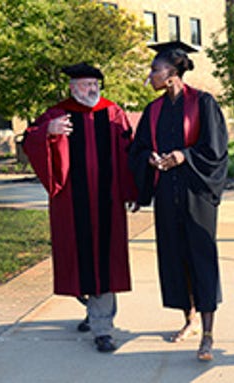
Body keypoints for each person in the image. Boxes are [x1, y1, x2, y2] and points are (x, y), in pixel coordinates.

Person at [23, 62, 138, 353]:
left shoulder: (113, 113)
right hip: (73, 206)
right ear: (72, 88)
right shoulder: (57, 113)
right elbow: (29, 138)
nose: (92, 90)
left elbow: (129, 154)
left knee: (105, 263)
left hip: (107, 202)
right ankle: (93, 309)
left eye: (95, 85)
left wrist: (132, 189)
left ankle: (103, 328)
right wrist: (48, 132)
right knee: (78, 262)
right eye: (86, 85)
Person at [129, 41, 228, 361]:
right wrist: (150, 161)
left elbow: (215, 150)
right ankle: (190, 320)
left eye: (155, 70)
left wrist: (183, 156)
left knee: (201, 259)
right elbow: (138, 148)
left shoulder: (203, 102)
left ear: (172, 74)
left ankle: (209, 334)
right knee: (175, 260)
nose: (150, 75)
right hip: (166, 195)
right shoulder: (153, 110)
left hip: (196, 194)